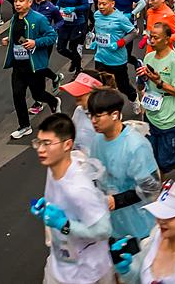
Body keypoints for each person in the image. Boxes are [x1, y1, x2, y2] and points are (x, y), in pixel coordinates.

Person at [29, 113, 114, 284]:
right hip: (60, 264)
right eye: (38, 142)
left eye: (47, 143)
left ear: (67, 144)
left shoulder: (79, 189)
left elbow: (104, 230)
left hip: (87, 274)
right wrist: (46, 208)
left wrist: (65, 226)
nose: (40, 149)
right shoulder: (53, 169)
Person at [87, 88, 161, 242]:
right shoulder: (97, 140)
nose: (93, 121)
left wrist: (117, 200)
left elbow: (152, 188)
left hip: (140, 229)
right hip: (112, 227)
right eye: (91, 115)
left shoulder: (136, 146)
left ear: (115, 115)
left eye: (98, 116)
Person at [136, 22, 175, 184]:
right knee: (152, 158)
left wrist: (159, 82)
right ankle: (159, 191)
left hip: (169, 117)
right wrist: (142, 79)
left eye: (155, 38)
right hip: (151, 113)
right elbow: (142, 85)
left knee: (167, 161)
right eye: (150, 37)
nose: (151, 40)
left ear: (167, 39)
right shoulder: (148, 58)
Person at [2, 0, 61, 139]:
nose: (17, 4)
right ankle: (24, 126)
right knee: (17, 95)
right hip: (18, 65)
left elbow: (52, 36)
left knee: (38, 94)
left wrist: (36, 42)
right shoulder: (15, 18)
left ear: (29, 3)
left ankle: (53, 101)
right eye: (16, 1)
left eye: (21, 1)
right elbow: (17, 36)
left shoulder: (39, 19)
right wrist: (8, 40)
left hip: (34, 65)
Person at [90, 0, 139, 105]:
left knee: (123, 86)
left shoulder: (120, 18)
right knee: (102, 85)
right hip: (100, 57)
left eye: (104, 4)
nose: (101, 7)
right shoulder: (97, 14)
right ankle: (107, 108)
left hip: (117, 60)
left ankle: (134, 98)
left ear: (112, 4)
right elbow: (98, 29)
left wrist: (119, 43)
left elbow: (133, 33)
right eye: (99, 4)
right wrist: (95, 40)